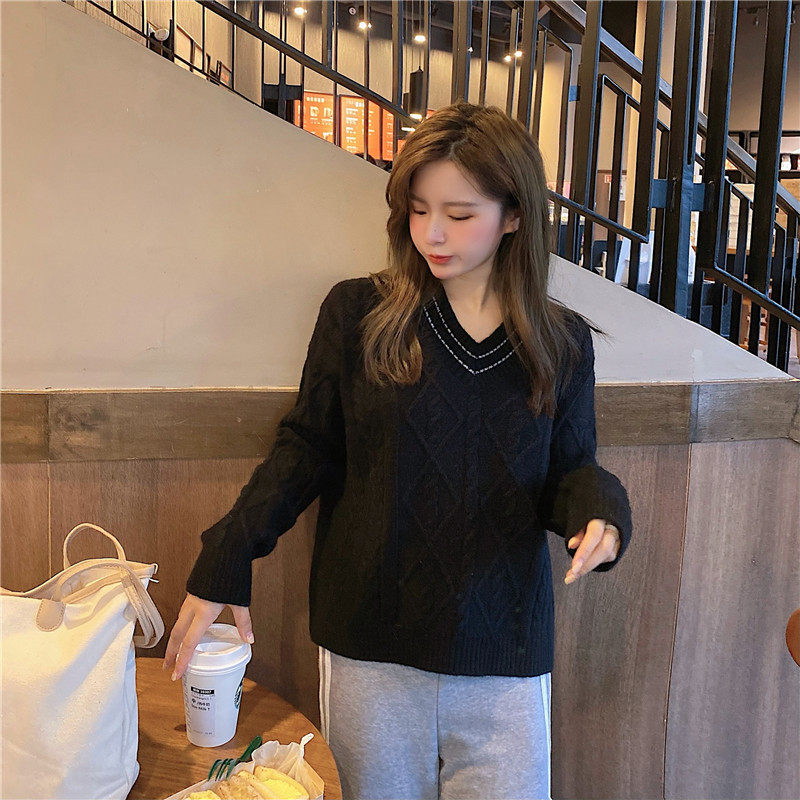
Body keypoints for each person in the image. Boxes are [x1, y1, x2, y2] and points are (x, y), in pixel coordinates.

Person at [163, 101, 633, 800]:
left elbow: (570, 470)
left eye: (459, 214)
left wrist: (601, 512)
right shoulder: (358, 314)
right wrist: (229, 552)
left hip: (503, 651)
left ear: (514, 216)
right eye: (417, 210)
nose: (431, 233)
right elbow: (306, 449)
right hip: (371, 650)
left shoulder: (560, 343)